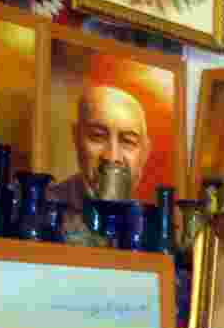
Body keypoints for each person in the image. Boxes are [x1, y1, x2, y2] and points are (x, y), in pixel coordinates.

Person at [47, 84, 152, 243]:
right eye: (98, 137)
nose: (112, 157)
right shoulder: (46, 210)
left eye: (128, 141)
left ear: (145, 151)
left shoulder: (150, 229)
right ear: (76, 138)